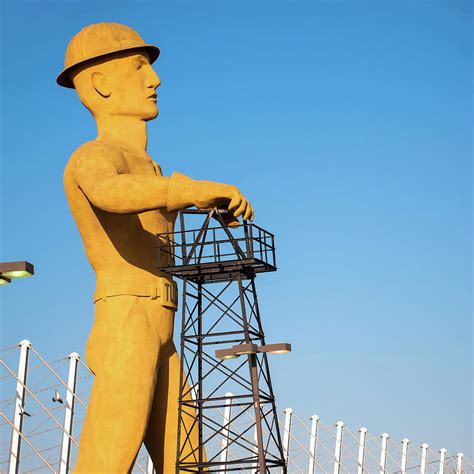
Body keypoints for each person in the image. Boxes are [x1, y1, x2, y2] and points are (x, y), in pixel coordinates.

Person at [58, 22, 253, 473]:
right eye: (139, 67)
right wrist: (189, 190)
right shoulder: (93, 157)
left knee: (188, 461)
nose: (155, 80)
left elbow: (148, 195)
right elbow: (112, 194)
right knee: (108, 459)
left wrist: (205, 201)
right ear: (101, 83)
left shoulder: (148, 167)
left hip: (162, 327)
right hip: (127, 319)